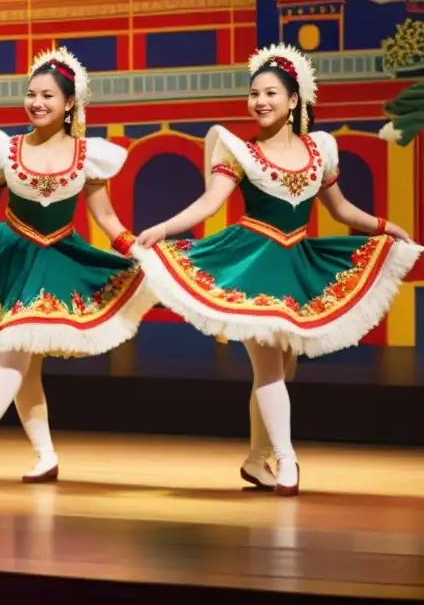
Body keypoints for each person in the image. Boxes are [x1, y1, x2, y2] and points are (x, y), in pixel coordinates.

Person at [131, 44, 423, 496]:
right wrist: (163, 228)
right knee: (269, 366)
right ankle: (287, 460)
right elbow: (210, 203)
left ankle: (255, 460)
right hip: (251, 262)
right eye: (254, 93)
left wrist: (387, 227)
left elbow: (342, 209)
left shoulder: (319, 150)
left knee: (283, 368)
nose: (260, 101)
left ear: (294, 101)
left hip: (295, 263)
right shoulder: (240, 153)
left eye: (270, 93)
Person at [0, 47, 155, 485]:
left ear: (70, 103)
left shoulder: (88, 155)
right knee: (22, 362)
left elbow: (106, 217)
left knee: (14, 355)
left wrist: (136, 248)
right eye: (31, 94)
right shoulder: (5, 151)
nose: (37, 102)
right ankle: (45, 455)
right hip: (10, 256)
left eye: (48, 96)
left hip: (57, 262)